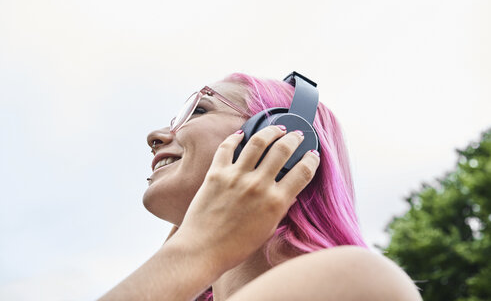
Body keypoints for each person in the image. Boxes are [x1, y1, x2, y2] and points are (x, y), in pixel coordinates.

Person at [99, 73, 422, 301]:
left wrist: (196, 246)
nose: (154, 136)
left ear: (281, 136)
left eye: (199, 110)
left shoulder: (357, 282)